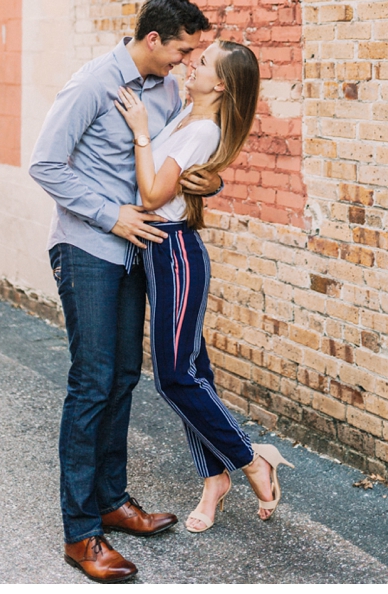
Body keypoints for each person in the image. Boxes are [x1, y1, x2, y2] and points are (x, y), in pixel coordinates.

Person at [29, 0, 221, 583]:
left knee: (122, 377)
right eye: (184, 50)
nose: (188, 63)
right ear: (155, 39)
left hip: (138, 252)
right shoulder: (92, 84)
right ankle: (81, 530)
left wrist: (198, 181)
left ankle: (112, 498)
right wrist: (111, 215)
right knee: (91, 382)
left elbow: (159, 166)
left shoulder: (163, 89)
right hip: (87, 247)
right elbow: (45, 164)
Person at [115, 38, 294, 534]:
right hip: (159, 251)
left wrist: (140, 134)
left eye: (204, 62)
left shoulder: (199, 131)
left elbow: (152, 194)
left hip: (174, 252)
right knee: (194, 372)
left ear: (220, 84)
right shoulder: (188, 116)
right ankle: (214, 477)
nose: (190, 64)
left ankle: (252, 459)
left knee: (173, 377)